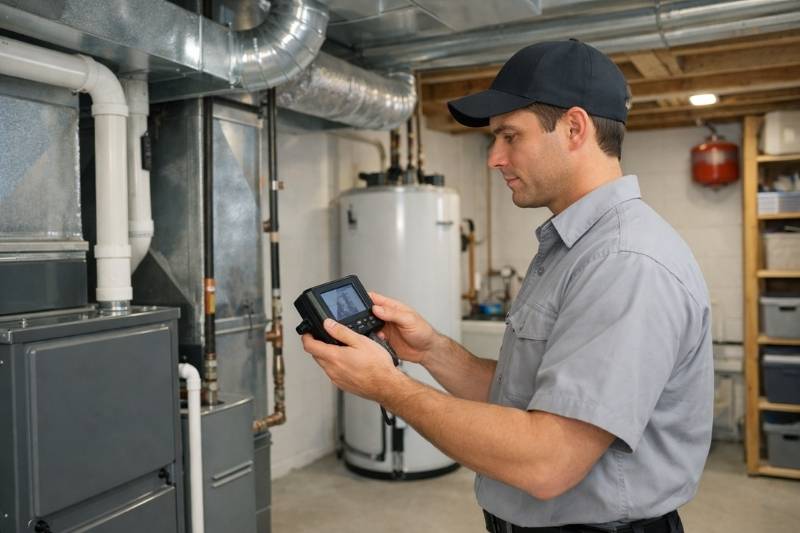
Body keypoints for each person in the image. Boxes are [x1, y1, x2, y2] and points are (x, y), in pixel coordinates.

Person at [302, 39, 712, 533]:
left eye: (509, 136)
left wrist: (389, 388)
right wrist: (432, 351)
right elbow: (526, 397)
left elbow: (549, 461)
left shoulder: (623, 261)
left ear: (575, 128)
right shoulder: (573, 246)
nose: (494, 158)